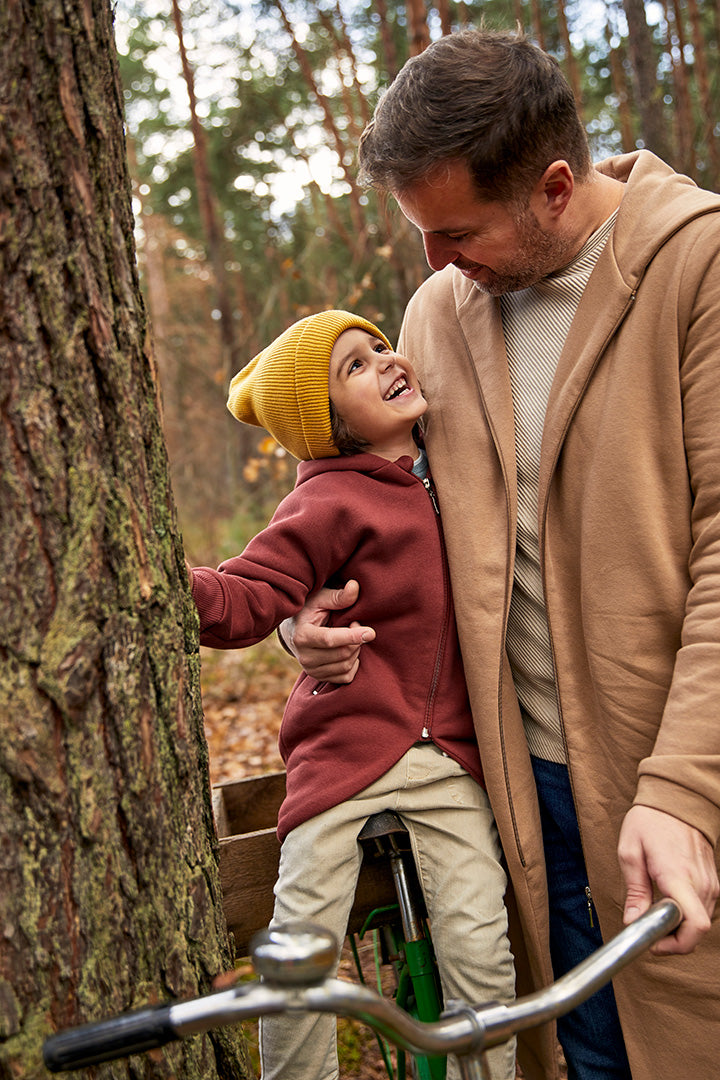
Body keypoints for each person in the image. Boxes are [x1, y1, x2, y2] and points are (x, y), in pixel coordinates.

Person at [279, 28, 720, 1080]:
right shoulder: (438, 311)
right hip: (523, 796)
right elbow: (367, 496)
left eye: (455, 230)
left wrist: (687, 790)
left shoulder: (698, 268)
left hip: (680, 782)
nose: (432, 261)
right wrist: (312, 606)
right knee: (592, 1056)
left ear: (555, 187)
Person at [187, 309, 517, 1080]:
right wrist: (172, 581)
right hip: (344, 752)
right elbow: (251, 593)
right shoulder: (327, 500)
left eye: (377, 346)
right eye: (355, 369)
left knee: (480, 946)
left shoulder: (457, 458)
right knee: (301, 951)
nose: (385, 360)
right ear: (331, 426)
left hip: (451, 761)